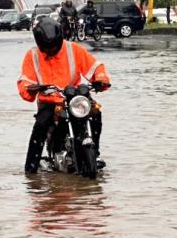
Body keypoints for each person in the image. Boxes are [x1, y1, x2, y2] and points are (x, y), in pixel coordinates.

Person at [17, 18, 111, 174]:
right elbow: (24, 81)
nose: (52, 49)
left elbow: (95, 67)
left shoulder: (73, 49)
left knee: (95, 113)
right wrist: (32, 88)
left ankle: (95, 152)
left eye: (55, 45)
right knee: (40, 125)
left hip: (74, 97)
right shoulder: (32, 56)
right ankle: (30, 168)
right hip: (49, 100)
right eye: (48, 47)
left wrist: (100, 79)